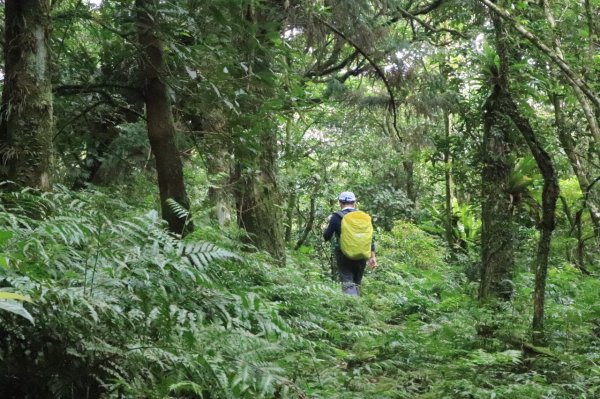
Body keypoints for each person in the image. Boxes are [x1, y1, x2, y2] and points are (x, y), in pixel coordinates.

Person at [323, 191, 377, 296]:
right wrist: (373, 256)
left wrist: (328, 227)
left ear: (340, 202)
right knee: (357, 282)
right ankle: (358, 306)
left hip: (344, 254)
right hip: (362, 254)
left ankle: (352, 307)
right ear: (354, 202)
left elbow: (326, 236)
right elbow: (370, 238)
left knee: (347, 281)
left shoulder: (336, 217)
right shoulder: (363, 217)